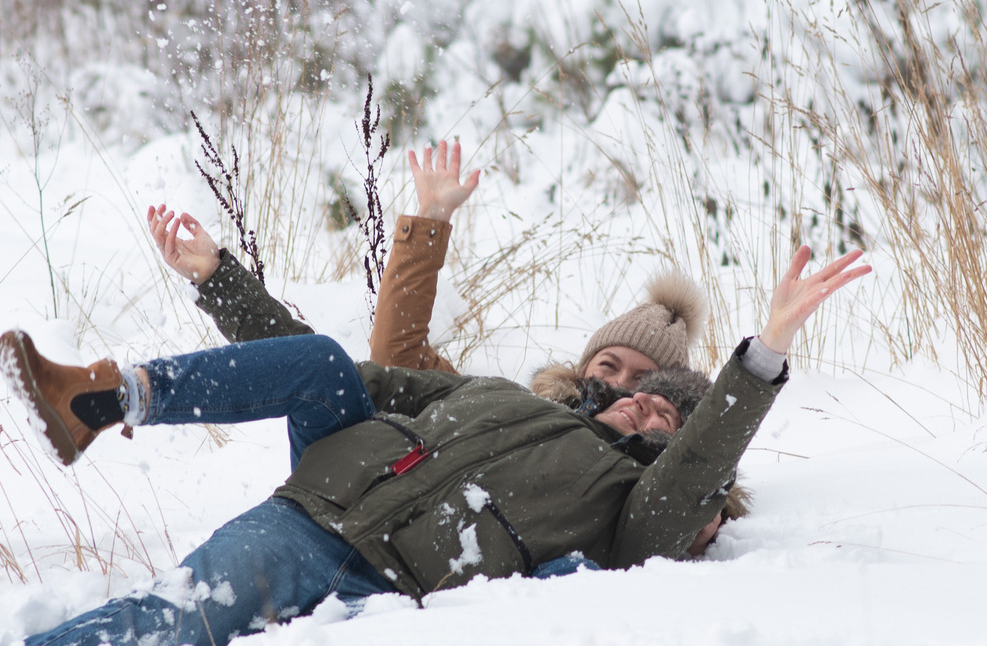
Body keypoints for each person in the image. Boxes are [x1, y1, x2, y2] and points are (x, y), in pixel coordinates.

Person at [0, 243, 868, 646]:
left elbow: (687, 485)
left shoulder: (629, 504)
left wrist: (764, 356)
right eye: (629, 380)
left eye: (670, 408)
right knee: (324, 362)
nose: (643, 397)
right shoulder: (502, 394)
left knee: (167, 623)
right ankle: (101, 397)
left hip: (366, 561)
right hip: (313, 501)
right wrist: (220, 278)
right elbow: (318, 369)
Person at [148, 139, 749, 541]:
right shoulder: (509, 411)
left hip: (407, 571)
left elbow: (689, 512)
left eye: (642, 383)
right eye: (610, 363)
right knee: (322, 368)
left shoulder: (658, 476)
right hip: (351, 512)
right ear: (583, 362)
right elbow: (387, 362)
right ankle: (128, 395)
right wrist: (217, 277)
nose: (619, 385)